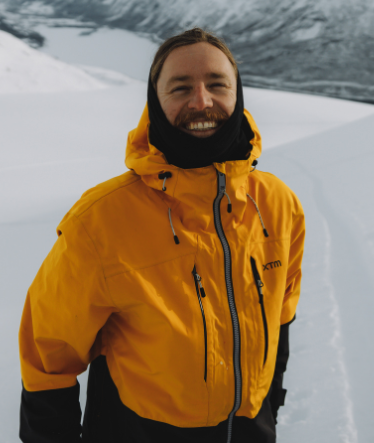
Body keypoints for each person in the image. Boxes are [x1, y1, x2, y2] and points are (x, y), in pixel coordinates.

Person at [18, 27, 305, 442]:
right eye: (181, 87)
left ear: (237, 95)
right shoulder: (101, 220)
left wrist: (269, 405)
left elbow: (282, 316)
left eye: (217, 84)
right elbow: (49, 356)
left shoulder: (277, 204)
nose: (202, 100)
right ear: (156, 102)